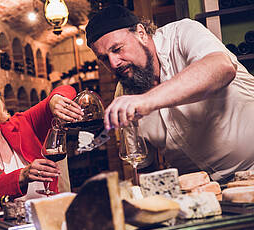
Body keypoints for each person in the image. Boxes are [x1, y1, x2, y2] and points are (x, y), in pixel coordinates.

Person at [85, 5, 254, 183]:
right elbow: (143, 165)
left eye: (117, 49)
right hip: (197, 194)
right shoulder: (124, 96)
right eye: (104, 58)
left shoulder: (182, 33)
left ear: (141, 33)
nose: (113, 63)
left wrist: (147, 100)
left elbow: (221, 67)